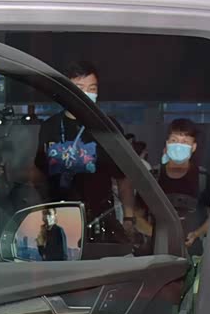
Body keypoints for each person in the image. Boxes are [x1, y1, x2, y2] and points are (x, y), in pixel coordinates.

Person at [32, 61, 134, 245]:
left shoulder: (107, 127)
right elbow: (40, 175)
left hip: (99, 219)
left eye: (92, 88)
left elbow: (123, 176)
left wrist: (129, 217)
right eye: (79, 88)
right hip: (59, 220)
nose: (86, 94)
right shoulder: (50, 127)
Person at [138, 119, 210, 251]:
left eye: (184, 142)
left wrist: (196, 234)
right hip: (156, 253)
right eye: (174, 140)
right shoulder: (152, 177)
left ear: (193, 147)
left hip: (193, 253)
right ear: (167, 144)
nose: (178, 146)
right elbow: (136, 216)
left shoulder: (203, 178)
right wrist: (158, 236)